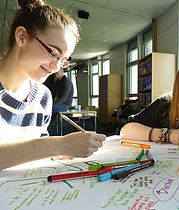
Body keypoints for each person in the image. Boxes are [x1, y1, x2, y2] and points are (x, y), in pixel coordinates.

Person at [0, 0, 106, 170]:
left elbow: (34, 149)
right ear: (22, 37)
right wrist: (58, 145)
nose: (56, 66)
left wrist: (56, 152)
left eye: (63, 61)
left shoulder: (43, 96)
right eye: (52, 52)